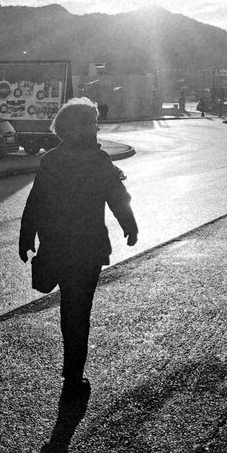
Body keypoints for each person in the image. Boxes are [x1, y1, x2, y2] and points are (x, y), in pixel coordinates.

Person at [19, 97, 138, 399]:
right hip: (87, 248)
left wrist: (26, 236)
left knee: (69, 311)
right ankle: (73, 374)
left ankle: (71, 370)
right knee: (78, 311)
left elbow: (36, 203)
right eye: (94, 122)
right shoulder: (99, 161)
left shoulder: (51, 160)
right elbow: (118, 197)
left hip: (57, 246)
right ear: (83, 127)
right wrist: (129, 225)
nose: (98, 128)